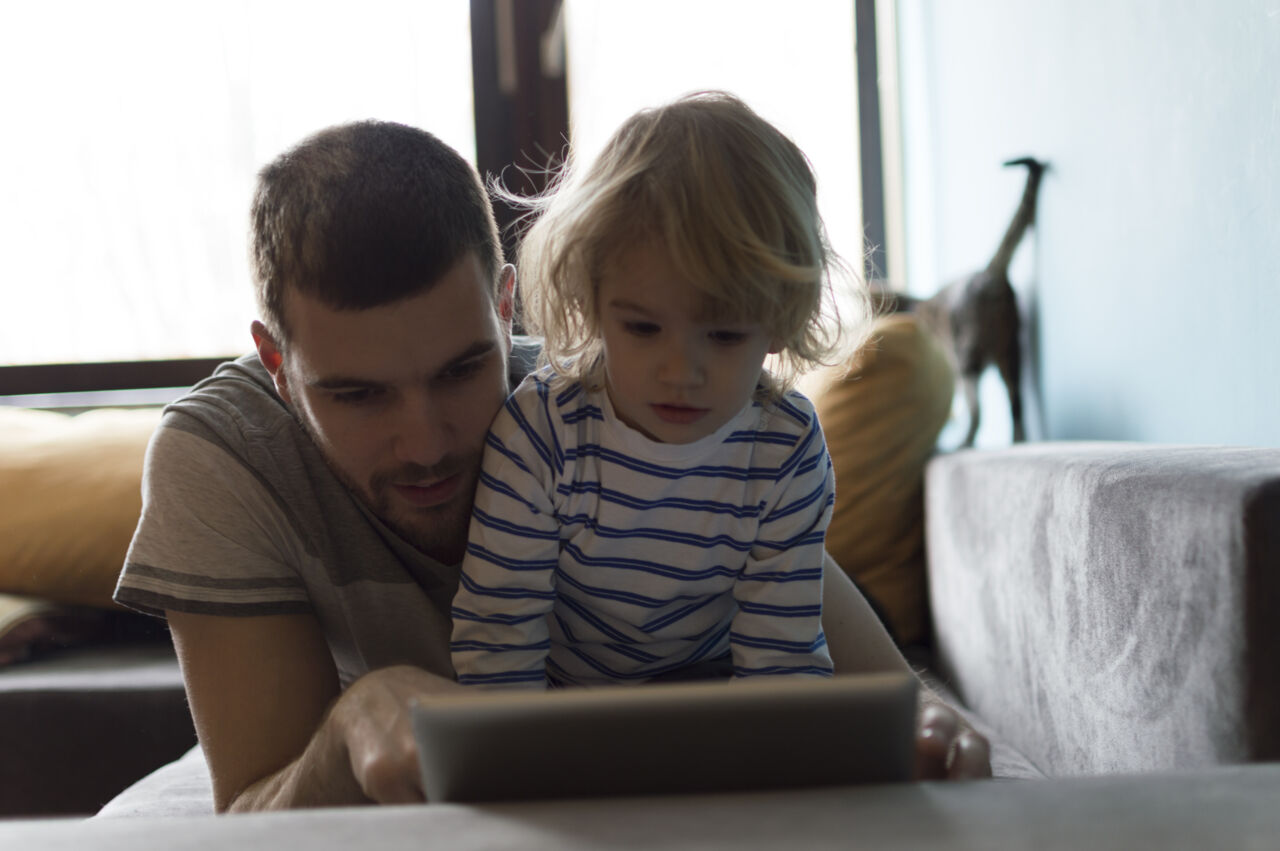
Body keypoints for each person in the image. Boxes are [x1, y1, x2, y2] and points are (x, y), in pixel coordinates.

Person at [113, 117, 989, 815]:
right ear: (275, 358)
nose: (424, 442)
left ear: (505, 308)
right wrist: (352, 721)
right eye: (358, 395)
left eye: (462, 370)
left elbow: (800, 602)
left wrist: (914, 716)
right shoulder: (223, 458)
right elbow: (255, 813)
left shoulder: (606, 394)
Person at [451, 92, 857, 688]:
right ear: (590, 304)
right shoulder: (540, 431)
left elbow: (783, 659)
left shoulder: (786, 446)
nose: (679, 372)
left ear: (779, 323)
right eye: (642, 328)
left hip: (711, 701)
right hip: (563, 710)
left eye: (721, 335)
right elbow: (499, 646)